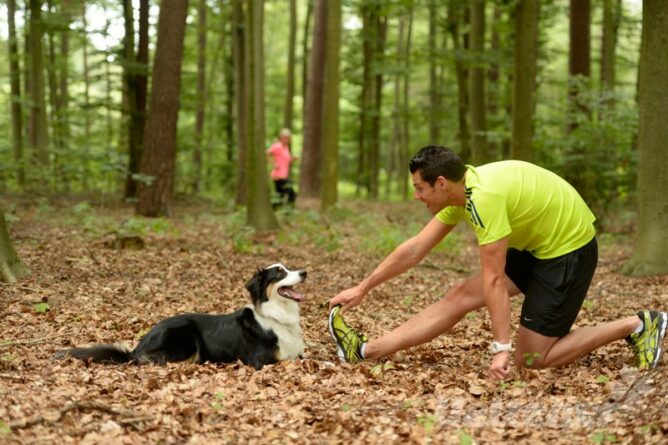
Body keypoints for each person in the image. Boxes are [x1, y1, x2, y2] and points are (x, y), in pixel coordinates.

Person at [328, 145, 667, 380]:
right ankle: (365, 351)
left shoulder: (483, 200)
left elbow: (493, 283)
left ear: (441, 183)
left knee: (531, 361)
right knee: (461, 293)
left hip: (568, 249)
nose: (416, 196)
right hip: (537, 243)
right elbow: (415, 248)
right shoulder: (460, 193)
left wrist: (501, 349)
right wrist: (363, 286)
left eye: (419, 188)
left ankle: (638, 325)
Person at [267, 128, 297, 206]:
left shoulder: (286, 147)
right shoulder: (277, 146)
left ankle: (277, 210)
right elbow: (267, 153)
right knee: (291, 193)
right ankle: (288, 210)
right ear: (282, 137)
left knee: (280, 195)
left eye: (289, 138)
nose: (288, 140)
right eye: (287, 138)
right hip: (278, 175)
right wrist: (273, 164)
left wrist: (292, 159)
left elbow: (287, 160)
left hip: (284, 174)